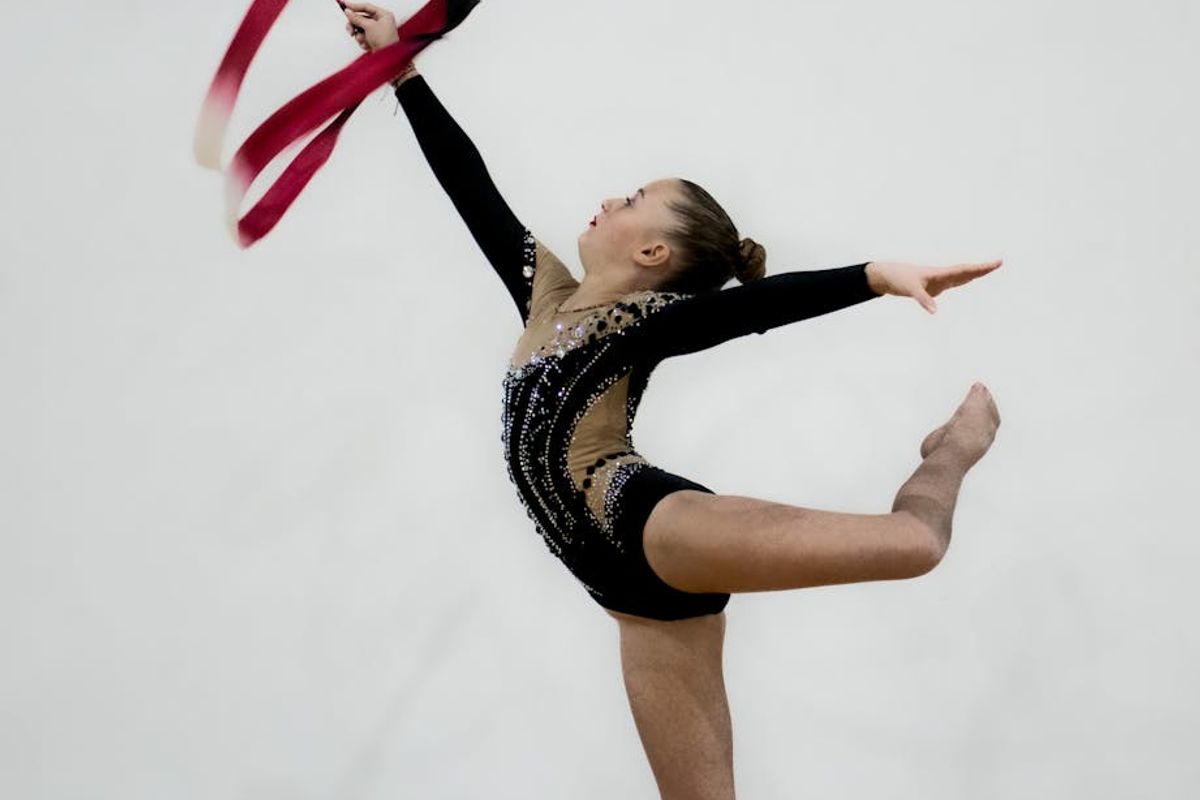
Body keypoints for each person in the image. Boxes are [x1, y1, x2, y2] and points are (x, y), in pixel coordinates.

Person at [342, 4, 1003, 797]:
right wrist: (400, 67)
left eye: (631, 199)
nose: (610, 200)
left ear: (653, 252)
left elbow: (750, 309)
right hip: (627, 598)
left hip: (648, 524)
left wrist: (870, 276)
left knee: (914, 547)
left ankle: (952, 449)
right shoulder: (546, 295)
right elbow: (470, 185)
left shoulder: (649, 320)